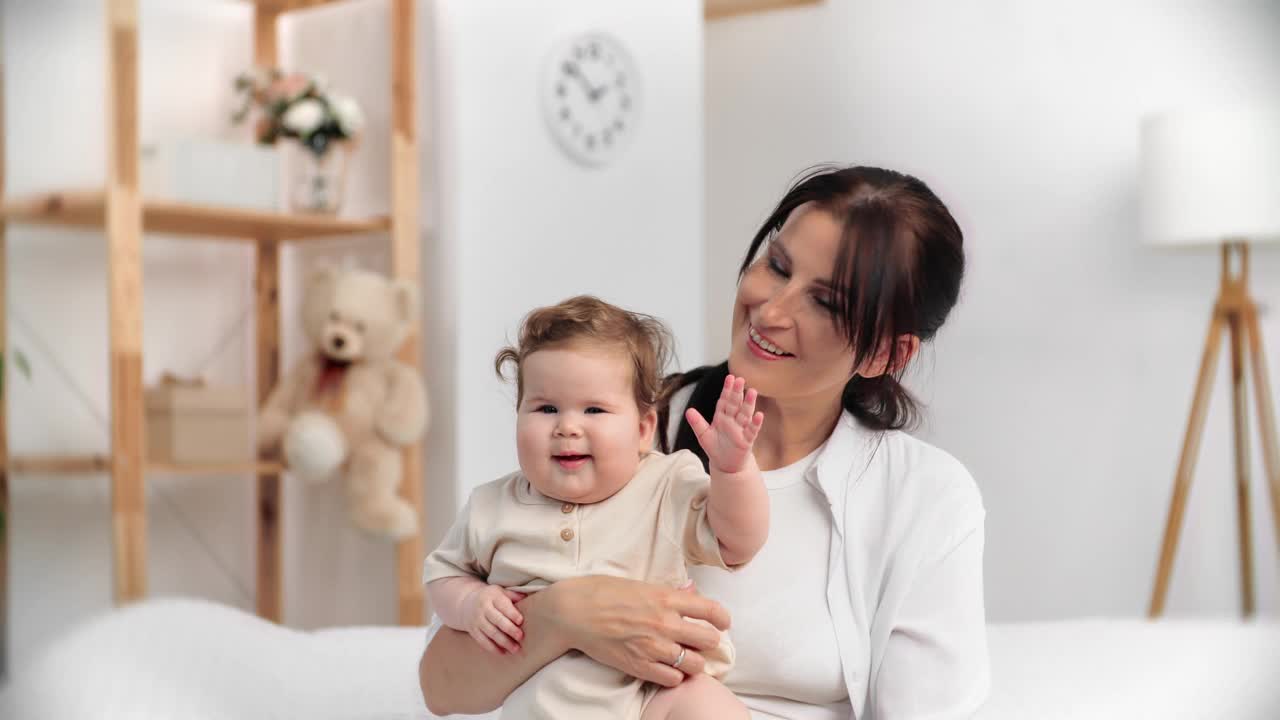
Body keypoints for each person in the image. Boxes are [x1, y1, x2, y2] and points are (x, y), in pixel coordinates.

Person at [419, 165, 989, 719]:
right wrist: (567, 613)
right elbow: (444, 686)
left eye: (826, 301)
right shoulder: (618, 428)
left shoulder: (925, 498)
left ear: (887, 353)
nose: (770, 309)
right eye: (778, 265)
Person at [422, 296, 771, 719]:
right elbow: (443, 574)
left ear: (643, 430)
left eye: (594, 410)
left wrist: (732, 471)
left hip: (654, 691)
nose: (567, 426)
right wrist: (471, 603)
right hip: (543, 699)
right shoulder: (491, 506)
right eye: (546, 408)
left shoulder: (665, 483)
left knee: (709, 707)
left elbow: (737, 540)